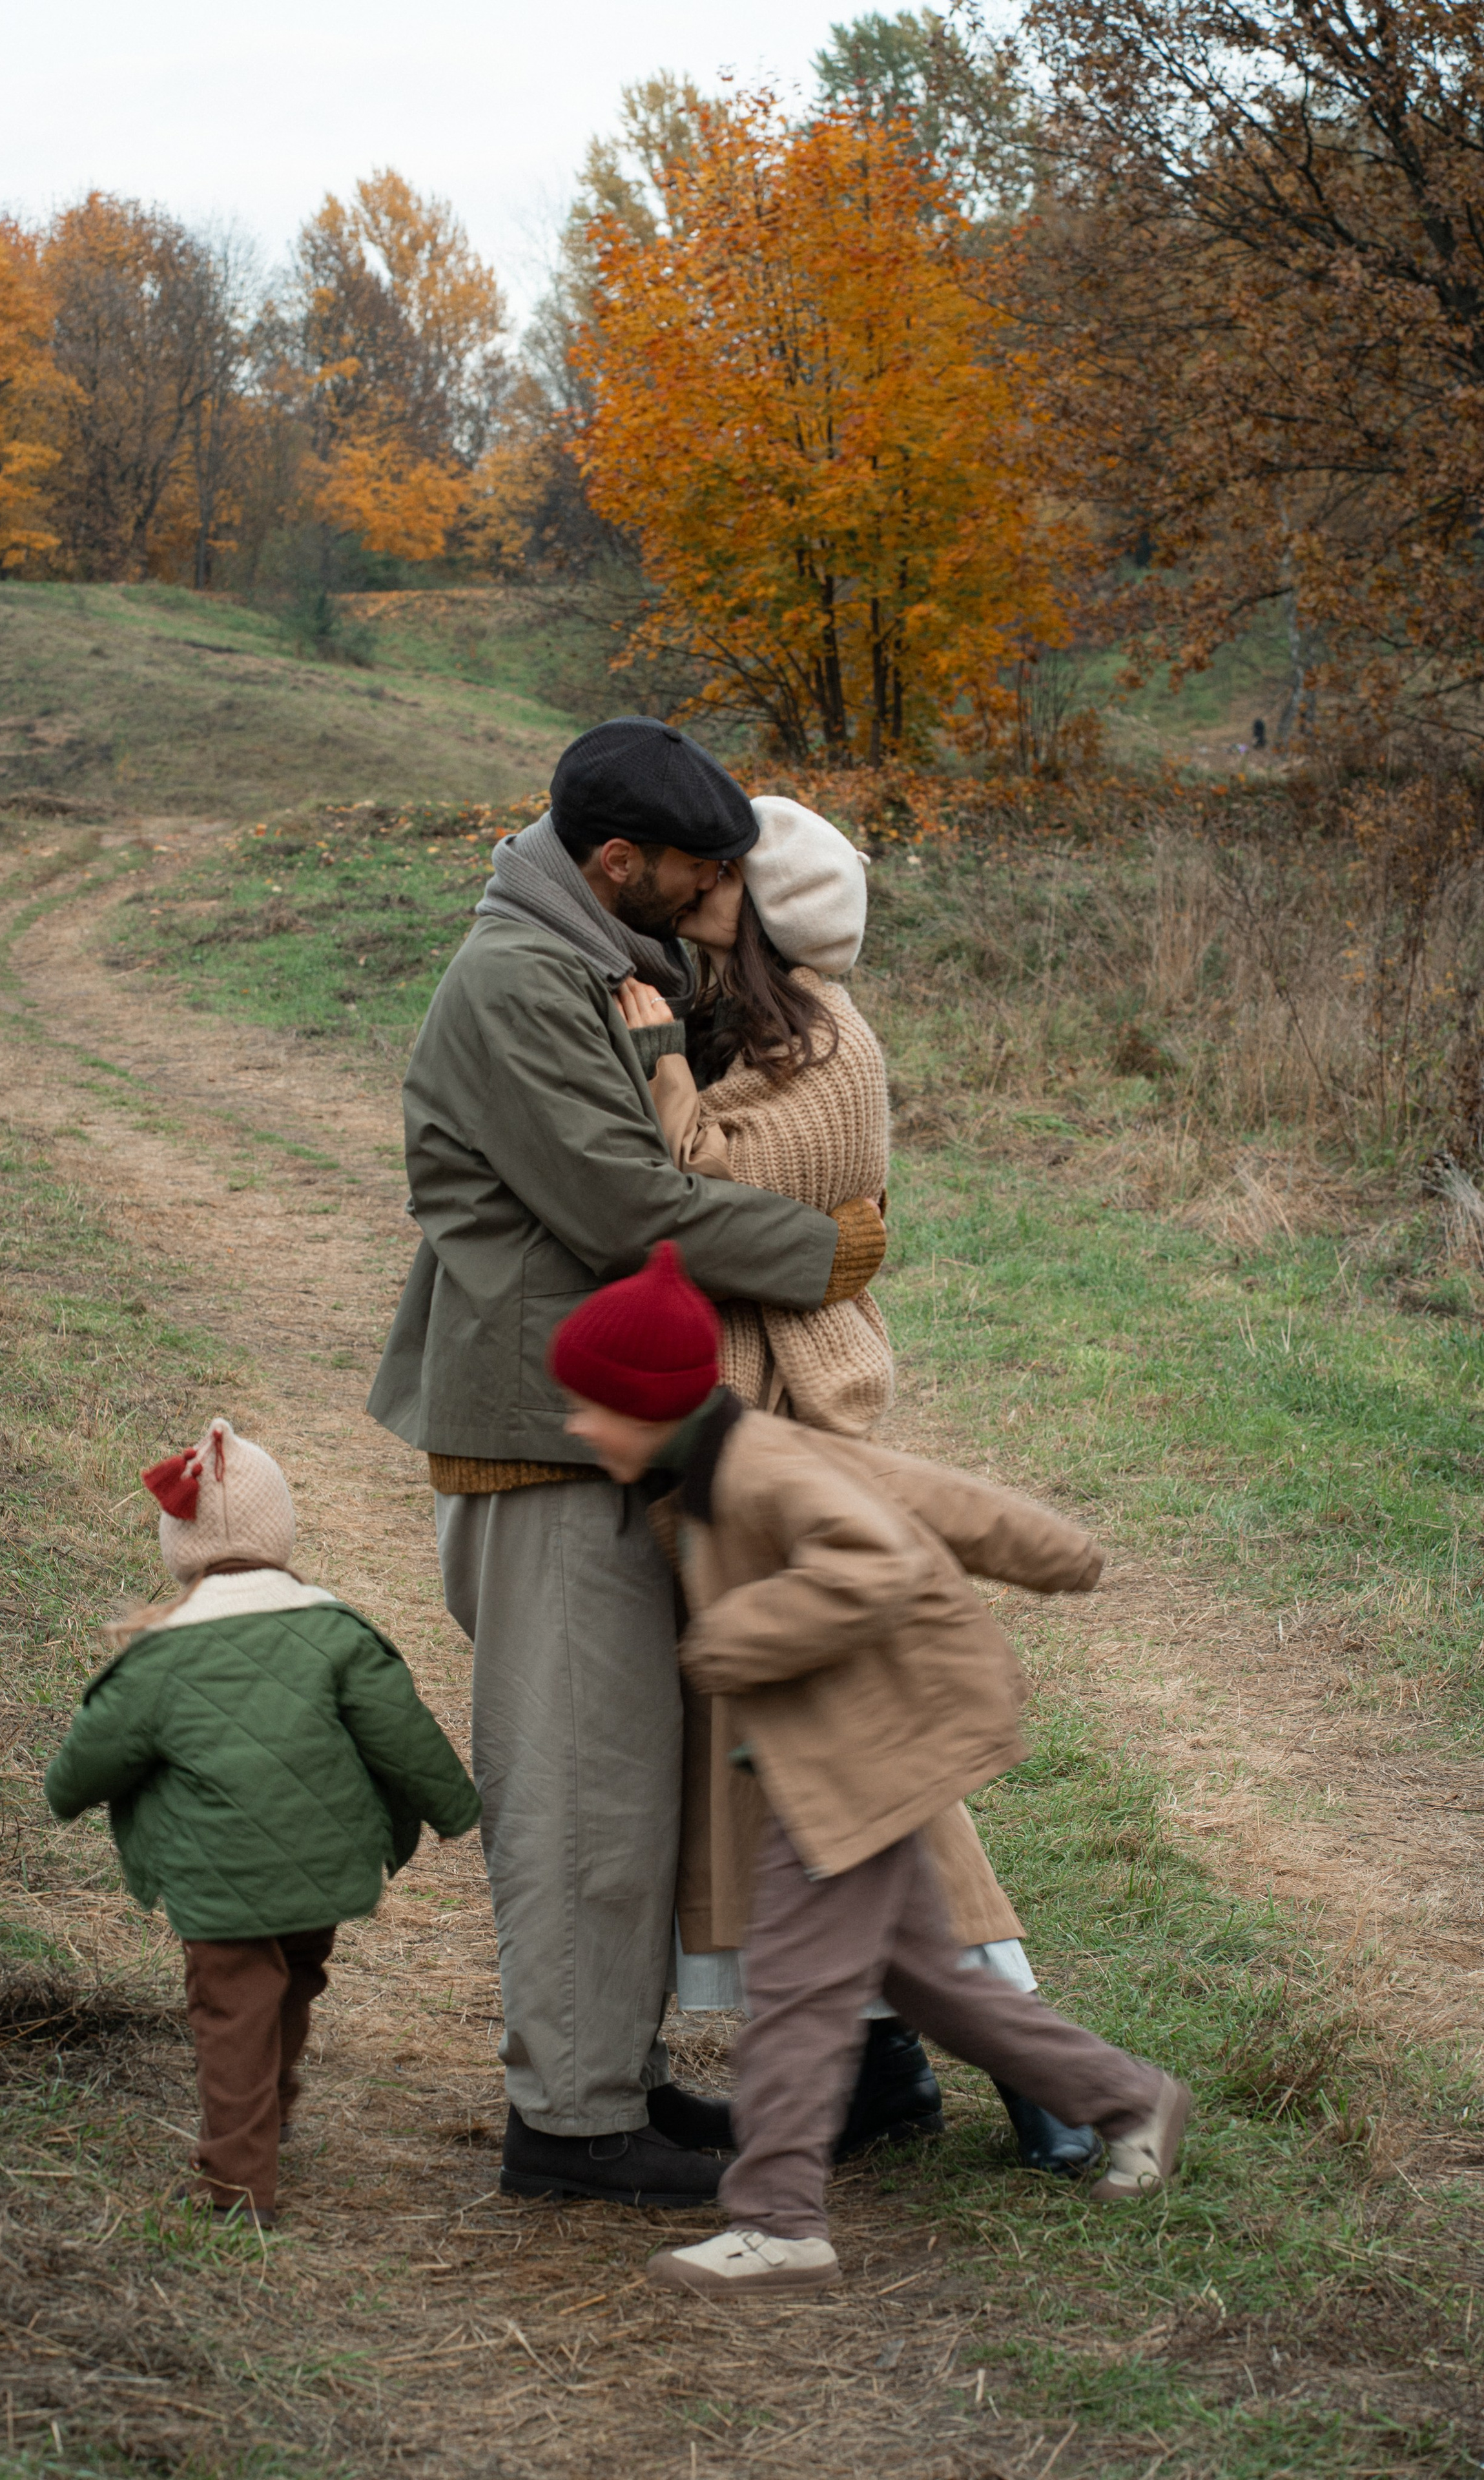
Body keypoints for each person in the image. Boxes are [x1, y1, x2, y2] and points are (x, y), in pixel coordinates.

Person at [366, 718, 888, 2210]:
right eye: (699, 872)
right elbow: (622, 1204)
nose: (721, 897)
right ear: (615, 862)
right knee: (574, 1789)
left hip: (595, 1423)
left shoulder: (589, 950)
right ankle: (573, 2125)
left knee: (628, 1777)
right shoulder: (517, 979)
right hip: (543, 1438)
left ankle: (613, 2072)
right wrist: (823, 1256)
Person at [548, 1247, 1192, 2297]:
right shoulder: (732, 1454)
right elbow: (931, 1495)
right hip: (853, 1758)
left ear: (650, 1404)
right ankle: (1131, 2100)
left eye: (590, 1406)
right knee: (934, 1983)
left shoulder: (759, 1470)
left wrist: (731, 1641)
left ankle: (780, 2222)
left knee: (799, 1993)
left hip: (855, 1767)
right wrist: (1056, 1549)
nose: (575, 1425)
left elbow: (876, 1561)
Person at [617, 796, 1100, 2177]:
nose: (698, 885)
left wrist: (652, 1058)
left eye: (726, 874)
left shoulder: (825, 1047)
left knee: (869, 1770)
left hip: (794, 1437)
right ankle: (882, 2077)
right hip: (744, 1438)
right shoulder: (768, 1031)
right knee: (792, 1774)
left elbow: (697, 1195)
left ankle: (1046, 2082)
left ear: (769, 909)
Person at [44, 1418, 480, 2228]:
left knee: (232, 2011)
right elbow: (402, 1729)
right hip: (320, 1869)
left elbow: (91, 1760)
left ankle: (237, 2185)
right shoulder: (333, 1629)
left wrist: (64, 1791)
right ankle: (266, 2120)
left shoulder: (160, 1656)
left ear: (180, 1547)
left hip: (219, 1879)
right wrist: (454, 1807)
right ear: (279, 1531)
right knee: (286, 1986)